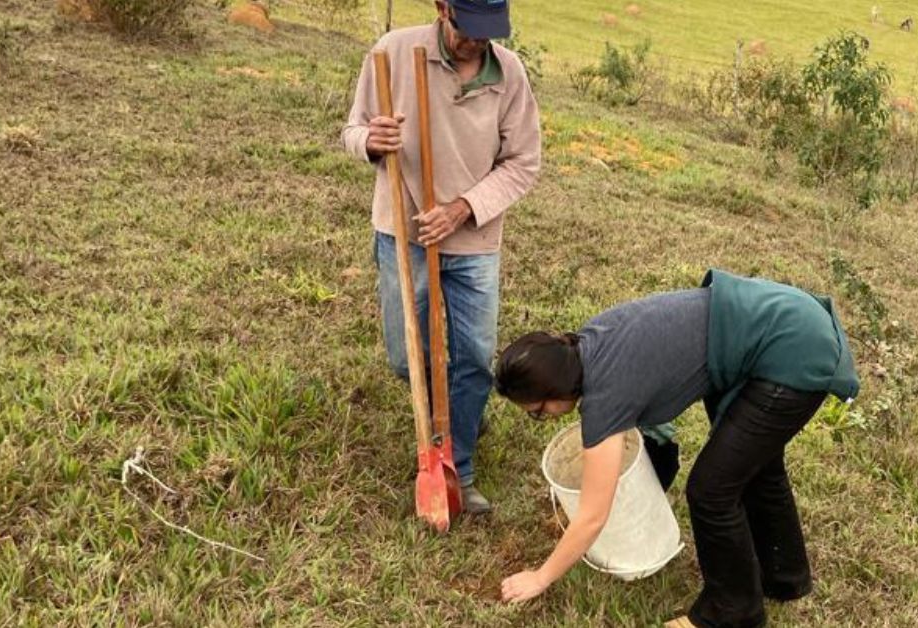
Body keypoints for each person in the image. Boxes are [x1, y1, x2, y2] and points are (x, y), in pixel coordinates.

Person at [493, 269, 860, 628]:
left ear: (554, 391)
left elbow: (592, 516)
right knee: (756, 466)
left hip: (792, 350)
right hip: (784, 317)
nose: (544, 418)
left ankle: (733, 611)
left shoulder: (605, 397)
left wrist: (540, 577)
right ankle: (784, 577)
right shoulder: (593, 341)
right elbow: (659, 431)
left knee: (712, 490)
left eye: (538, 413)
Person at [341, 0, 541, 513]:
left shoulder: (510, 74)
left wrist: (462, 210)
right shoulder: (392, 52)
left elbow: (523, 163)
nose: (476, 42)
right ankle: (447, 411)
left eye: (487, 33)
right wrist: (371, 139)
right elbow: (351, 130)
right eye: (467, 30)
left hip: (472, 241)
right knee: (405, 355)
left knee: (474, 357)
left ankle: (460, 464)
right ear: (442, 8)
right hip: (402, 234)